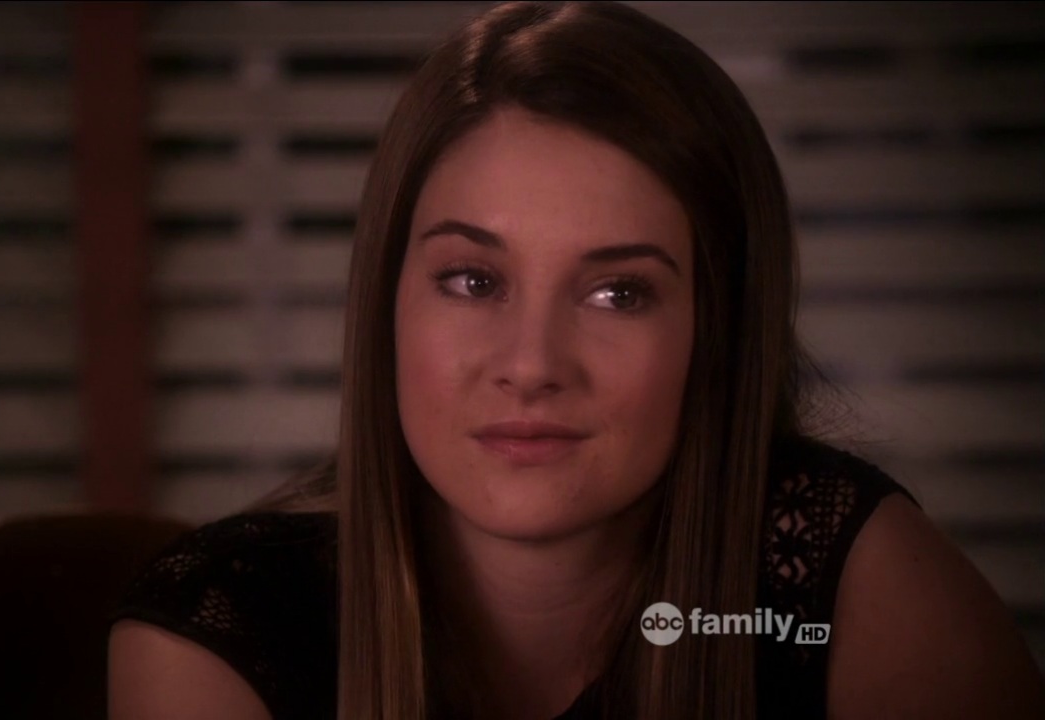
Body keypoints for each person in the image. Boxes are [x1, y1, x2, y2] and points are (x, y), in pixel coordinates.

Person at [108, 2, 1045, 718]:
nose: (531, 365)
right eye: (472, 280)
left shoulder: (851, 588)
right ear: (386, 302)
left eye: (618, 294)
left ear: (716, 330)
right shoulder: (220, 634)